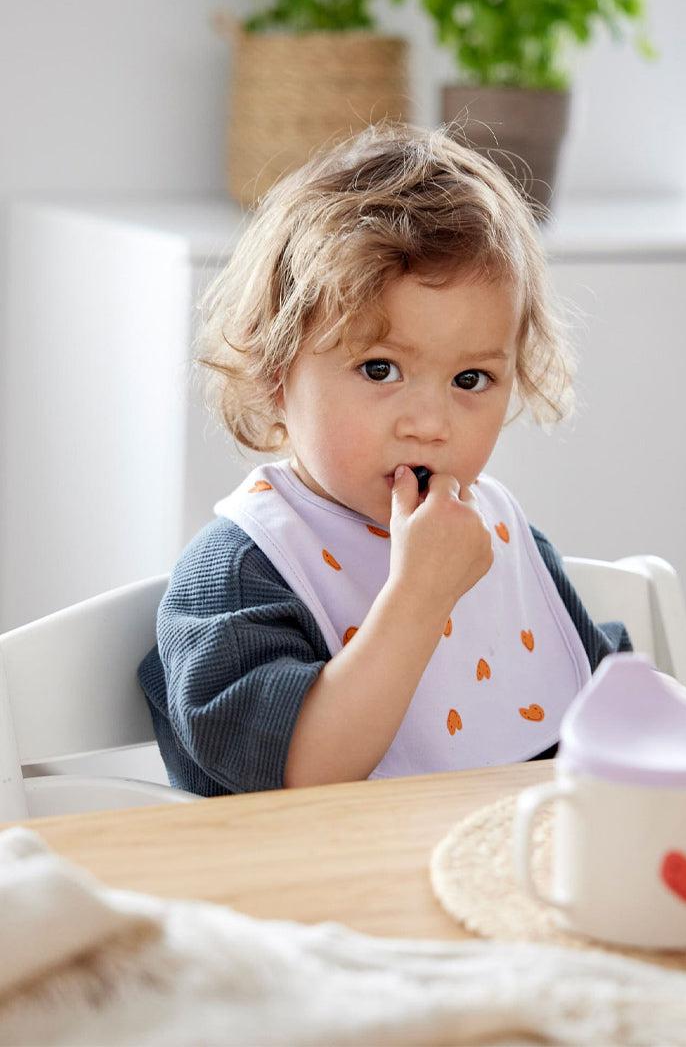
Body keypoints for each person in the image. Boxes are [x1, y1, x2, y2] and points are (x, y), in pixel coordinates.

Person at [137, 121, 632, 796]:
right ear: (276, 374)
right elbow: (303, 775)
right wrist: (420, 597)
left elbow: (610, 713)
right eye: (379, 369)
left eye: (470, 380)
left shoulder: (501, 539)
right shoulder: (244, 573)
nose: (430, 425)